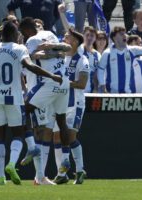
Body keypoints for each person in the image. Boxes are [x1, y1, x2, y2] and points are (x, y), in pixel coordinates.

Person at [0, 21, 62, 186]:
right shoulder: (19, 49)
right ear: (14, 34)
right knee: (17, 135)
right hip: (14, 98)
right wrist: (51, 76)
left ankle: (1, 177)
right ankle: (12, 164)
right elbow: (30, 66)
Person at [19, 17, 72, 179]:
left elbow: (29, 60)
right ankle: (66, 159)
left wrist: (40, 54)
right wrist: (49, 52)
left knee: (23, 110)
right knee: (61, 122)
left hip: (48, 83)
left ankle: (31, 146)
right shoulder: (50, 34)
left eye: (23, 33)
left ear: (27, 31)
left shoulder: (32, 40)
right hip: (64, 82)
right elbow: (63, 51)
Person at [53, 28, 89, 185]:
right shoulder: (59, 59)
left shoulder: (82, 60)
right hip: (59, 103)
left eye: (67, 36)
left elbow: (82, 84)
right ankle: (70, 172)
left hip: (75, 104)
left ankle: (72, 169)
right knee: (59, 137)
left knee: (69, 136)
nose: (64, 37)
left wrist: (64, 82)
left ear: (74, 41)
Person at [97, 26, 142, 93]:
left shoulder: (132, 50)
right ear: (114, 38)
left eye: (125, 33)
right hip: (111, 94)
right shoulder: (107, 53)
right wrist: (103, 87)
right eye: (121, 34)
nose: (125, 36)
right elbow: (100, 70)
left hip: (128, 94)